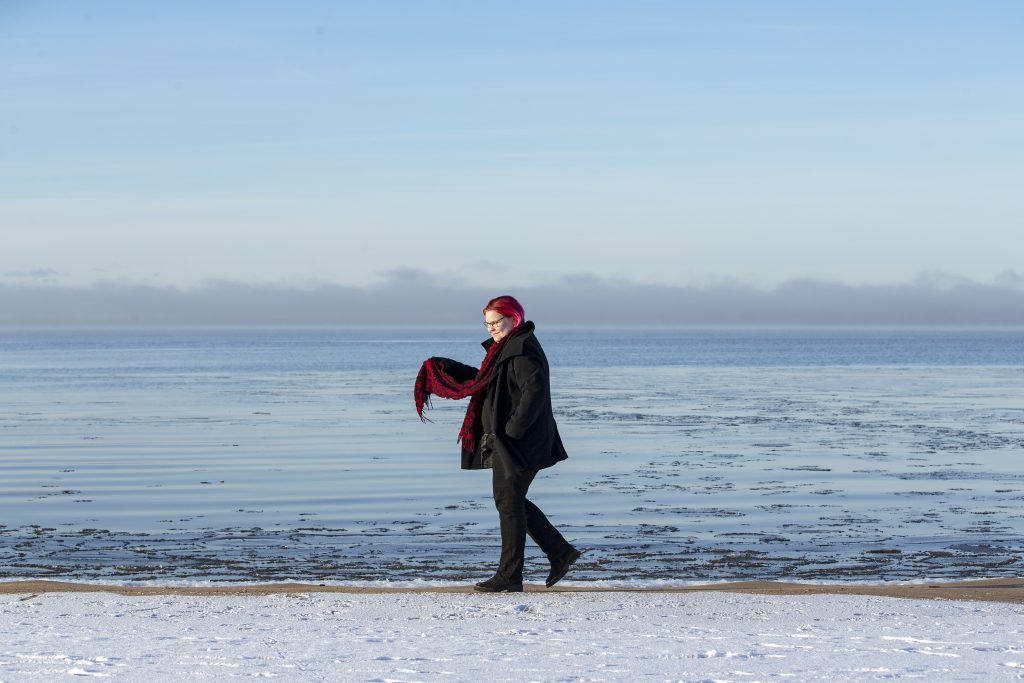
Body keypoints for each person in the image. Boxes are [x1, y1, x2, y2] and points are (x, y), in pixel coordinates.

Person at [415, 295, 581, 592]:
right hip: (511, 440)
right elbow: (489, 381)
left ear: (513, 319)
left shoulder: (523, 350)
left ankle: (512, 574)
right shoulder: (506, 347)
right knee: (510, 502)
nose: (491, 328)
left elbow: (534, 394)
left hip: (519, 441)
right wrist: (448, 367)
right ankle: (559, 553)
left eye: (496, 321)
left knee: (508, 503)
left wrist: (511, 431)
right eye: (487, 323)